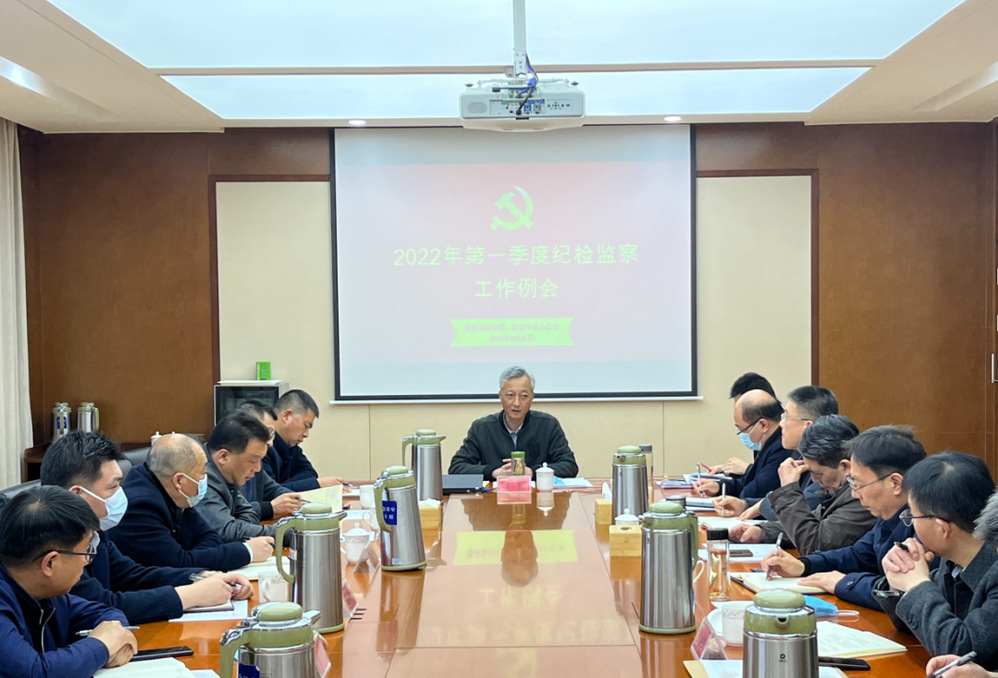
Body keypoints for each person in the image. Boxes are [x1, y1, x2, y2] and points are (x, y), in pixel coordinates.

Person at [40, 431, 251, 624]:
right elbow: (101, 604)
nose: (121, 493)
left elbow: (132, 575)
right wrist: (188, 596)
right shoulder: (52, 545)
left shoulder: (95, 530)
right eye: (113, 486)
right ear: (77, 495)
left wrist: (202, 576)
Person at [761, 425, 929, 609]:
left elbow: (901, 592)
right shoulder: (889, 514)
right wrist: (805, 565)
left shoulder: (927, 525)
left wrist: (844, 583)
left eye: (858, 484)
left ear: (895, 483)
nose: (855, 494)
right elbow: (858, 555)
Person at [0, 486, 137, 678]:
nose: (87, 561)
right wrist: (102, 647)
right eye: (86, 552)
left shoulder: (46, 591)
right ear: (50, 563)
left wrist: (115, 639)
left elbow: (106, 614)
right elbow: (34, 673)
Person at [880, 452, 998, 668]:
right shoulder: (950, 559)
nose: (910, 523)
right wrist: (900, 580)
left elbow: (963, 654)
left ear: (941, 528)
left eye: (912, 515)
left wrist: (916, 585)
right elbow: (915, 627)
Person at [109, 433, 274, 571]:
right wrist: (246, 552)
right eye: (202, 473)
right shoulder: (140, 507)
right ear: (179, 481)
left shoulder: (176, 494)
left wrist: (192, 556)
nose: (205, 479)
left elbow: (210, 536)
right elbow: (177, 564)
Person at [730, 414, 876, 554]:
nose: (814, 480)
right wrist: (763, 532)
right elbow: (813, 524)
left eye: (818, 474)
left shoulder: (859, 496)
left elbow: (814, 545)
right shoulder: (840, 489)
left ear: (845, 467)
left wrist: (788, 489)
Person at [715, 385, 837, 518]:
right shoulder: (799, 456)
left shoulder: (827, 465)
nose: (781, 424)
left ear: (807, 426)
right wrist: (745, 505)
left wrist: (786, 488)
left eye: (787, 417)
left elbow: (800, 510)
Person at [448, 366, 579, 479]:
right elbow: (457, 467)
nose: (516, 403)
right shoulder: (482, 428)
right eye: (510, 395)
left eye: (524, 396)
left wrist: (532, 472)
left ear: (532, 397)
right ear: (500, 396)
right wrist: (493, 472)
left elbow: (569, 466)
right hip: (495, 498)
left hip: (536, 497)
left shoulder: (548, 425)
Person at [198, 411, 294, 544]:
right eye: (253, 460)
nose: (258, 468)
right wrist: (289, 533)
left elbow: (249, 512)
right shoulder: (200, 477)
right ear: (223, 456)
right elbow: (227, 532)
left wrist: (239, 528)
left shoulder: (226, 474)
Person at [693, 390, 792, 502]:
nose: (742, 434)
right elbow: (748, 482)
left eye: (742, 429)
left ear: (763, 425)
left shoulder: (783, 448)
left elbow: (753, 493)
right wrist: (719, 487)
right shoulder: (768, 442)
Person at [263, 389, 343, 491]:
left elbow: (310, 473)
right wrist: (315, 484)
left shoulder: (291, 447)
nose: (306, 434)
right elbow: (268, 492)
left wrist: (283, 486)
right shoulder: (262, 446)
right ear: (286, 416)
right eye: (306, 425)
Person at [237, 400, 305, 519]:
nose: (270, 443)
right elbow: (232, 513)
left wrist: (293, 500)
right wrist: (269, 508)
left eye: (272, 434)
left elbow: (272, 489)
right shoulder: (228, 464)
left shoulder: (257, 462)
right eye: (266, 432)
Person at [709, 372, 779, 476]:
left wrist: (748, 469)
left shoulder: (785, 441)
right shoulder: (761, 437)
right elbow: (762, 473)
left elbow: (770, 481)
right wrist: (729, 470)